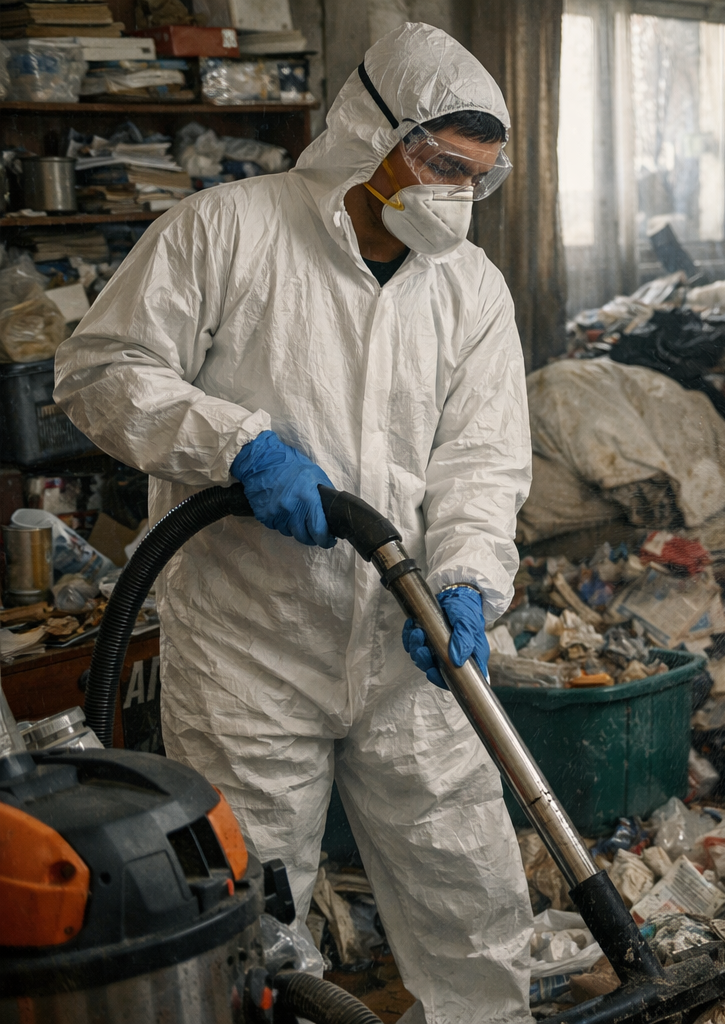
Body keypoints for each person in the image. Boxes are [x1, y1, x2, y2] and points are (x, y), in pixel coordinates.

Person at [55, 24, 533, 1024]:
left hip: (413, 645)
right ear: (373, 132)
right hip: (251, 651)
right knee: (252, 930)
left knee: (475, 906)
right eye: (441, 165)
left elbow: (482, 462)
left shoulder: (472, 288)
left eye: (475, 179)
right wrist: (237, 445)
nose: (454, 194)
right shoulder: (225, 231)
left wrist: (469, 581)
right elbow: (98, 375)